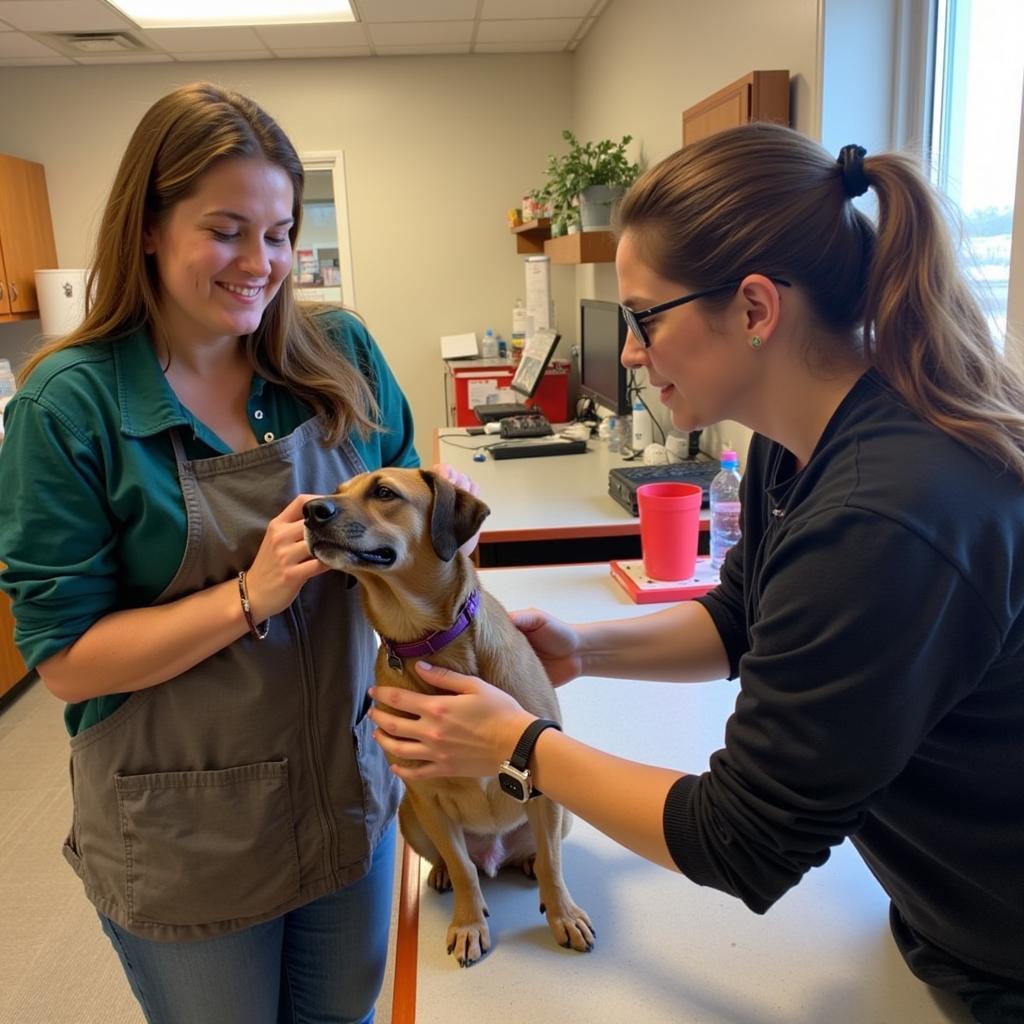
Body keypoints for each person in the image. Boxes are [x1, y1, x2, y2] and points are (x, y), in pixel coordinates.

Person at [367, 123, 1024, 1024]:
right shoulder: (795, 449)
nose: (631, 352)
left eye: (645, 318)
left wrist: (517, 747)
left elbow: (741, 840)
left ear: (755, 309)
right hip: (942, 904)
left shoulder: (886, 516)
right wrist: (582, 649)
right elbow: (741, 617)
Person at [0, 82, 474, 1024]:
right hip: (187, 835)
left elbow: (418, 535)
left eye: (280, 232)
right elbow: (64, 660)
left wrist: (476, 645)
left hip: (346, 791)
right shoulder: (70, 406)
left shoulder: (340, 356)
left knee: (344, 1011)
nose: (260, 263)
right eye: (226, 230)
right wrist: (247, 599)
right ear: (147, 225)